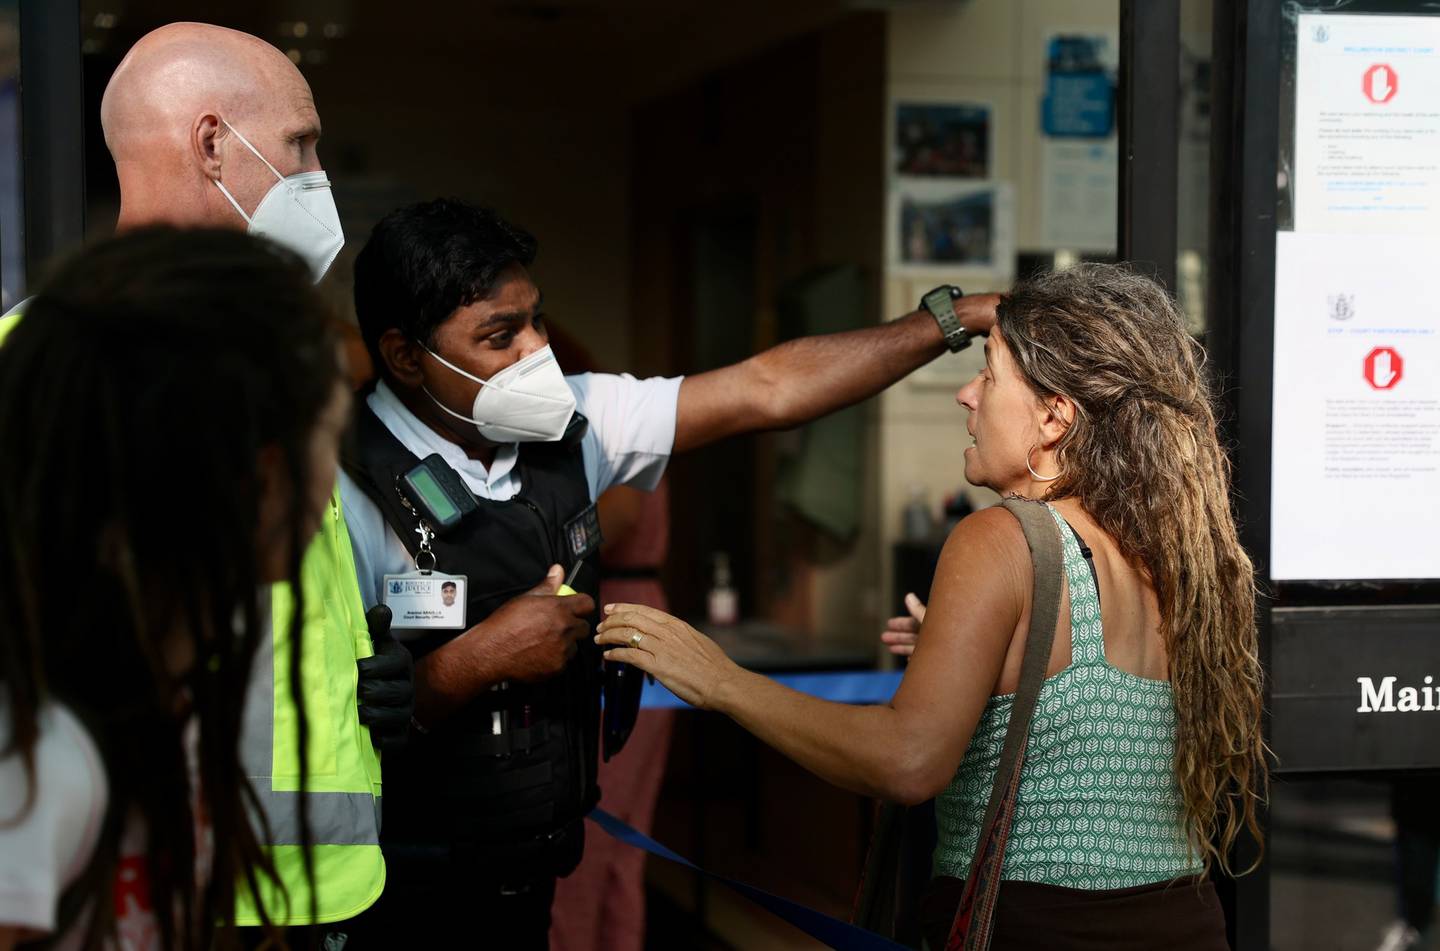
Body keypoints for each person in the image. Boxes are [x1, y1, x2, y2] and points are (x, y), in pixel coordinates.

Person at [336, 198, 997, 947]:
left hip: (533, 859)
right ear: (405, 355)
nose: (536, 352)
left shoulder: (572, 423)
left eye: (536, 320)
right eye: (499, 336)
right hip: (397, 889)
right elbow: (312, 720)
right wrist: (479, 657)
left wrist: (956, 319)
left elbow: (767, 388)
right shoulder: (338, 489)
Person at [597, 263, 1268, 948]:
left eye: (990, 373)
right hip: (1186, 924)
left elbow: (907, 761)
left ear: (1053, 416)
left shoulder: (1002, 539)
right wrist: (973, 657)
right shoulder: (1177, 550)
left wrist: (721, 680)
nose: (967, 395)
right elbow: (1082, 706)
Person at [0, 22, 411, 936]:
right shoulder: (39, 368)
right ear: (214, 142)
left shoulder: (277, 363)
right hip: (117, 890)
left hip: (307, 882)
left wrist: (365, 674)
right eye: (302, 144)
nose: (319, 176)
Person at [0, 229, 348, 950]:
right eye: (330, 439)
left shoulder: (174, 683)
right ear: (266, 476)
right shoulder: (35, 764)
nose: (334, 478)